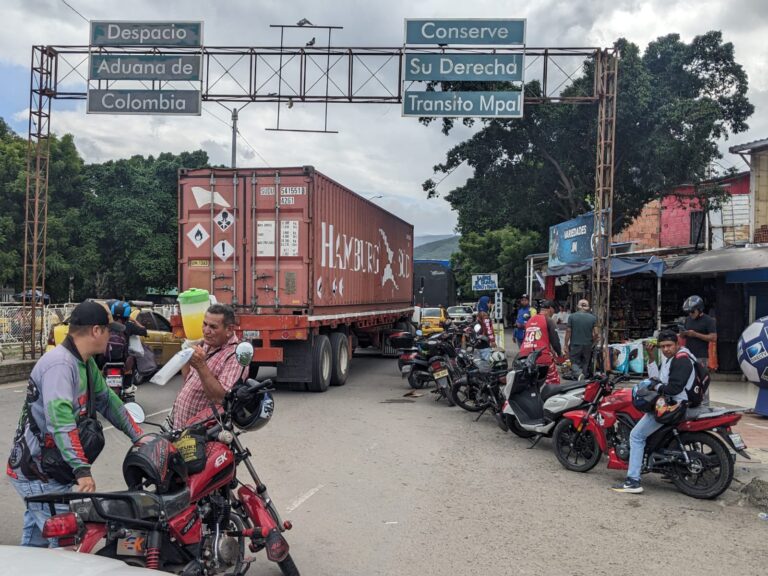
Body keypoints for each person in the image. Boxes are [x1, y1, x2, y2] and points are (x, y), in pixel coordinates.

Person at [7, 301, 143, 547]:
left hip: (53, 468)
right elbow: (60, 422)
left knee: (37, 543)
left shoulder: (84, 362)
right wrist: (82, 471)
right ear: (95, 331)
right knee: (67, 542)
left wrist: (138, 436)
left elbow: (108, 401)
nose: (112, 337)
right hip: (37, 470)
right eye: (108, 331)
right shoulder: (60, 365)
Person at [612, 329, 696, 494]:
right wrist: (651, 357)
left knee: (636, 436)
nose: (665, 349)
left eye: (669, 345)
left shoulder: (682, 360)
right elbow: (657, 378)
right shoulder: (671, 359)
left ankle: (633, 481)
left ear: (677, 344)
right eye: (662, 346)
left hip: (673, 406)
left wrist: (654, 387)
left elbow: (672, 388)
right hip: (673, 402)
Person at [171, 304, 243, 428]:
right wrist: (186, 355)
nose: (206, 331)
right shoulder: (207, 344)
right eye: (205, 324)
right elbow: (188, 378)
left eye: (213, 327)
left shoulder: (235, 355)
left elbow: (221, 398)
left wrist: (201, 365)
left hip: (203, 435)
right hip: (180, 427)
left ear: (229, 329)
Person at [105, 300, 149, 396]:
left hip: (104, 359)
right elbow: (144, 331)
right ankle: (127, 386)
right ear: (127, 315)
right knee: (132, 357)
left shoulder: (106, 324)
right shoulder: (129, 326)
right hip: (122, 360)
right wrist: (133, 320)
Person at [681, 295, 716, 405]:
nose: (691, 314)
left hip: (701, 355)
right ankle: (691, 400)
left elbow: (713, 337)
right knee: (688, 378)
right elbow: (684, 336)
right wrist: (683, 333)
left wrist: (695, 334)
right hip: (688, 354)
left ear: (699, 310)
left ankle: (704, 403)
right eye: (689, 312)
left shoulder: (709, 321)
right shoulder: (688, 319)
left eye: (692, 312)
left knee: (701, 379)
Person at [518, 300, 562, 385]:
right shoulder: (549, 320)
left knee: (530, 382)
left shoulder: (530, 320)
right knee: (553, 382)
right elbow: (555, 341)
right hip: (541, 355)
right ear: (550, 309)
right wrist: (559, 354)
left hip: (524, 356)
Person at [565, 299, 597, 378]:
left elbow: (568, 331)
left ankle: (579, 374)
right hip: (588, 344)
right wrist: (593, 342)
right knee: (585, 362)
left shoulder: (572, 317)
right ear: (588, 307)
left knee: (574, 362)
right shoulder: (593, 318)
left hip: (575, 344)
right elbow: (596, 333)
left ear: (577, 306)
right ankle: (584, 378)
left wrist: (565, 344)